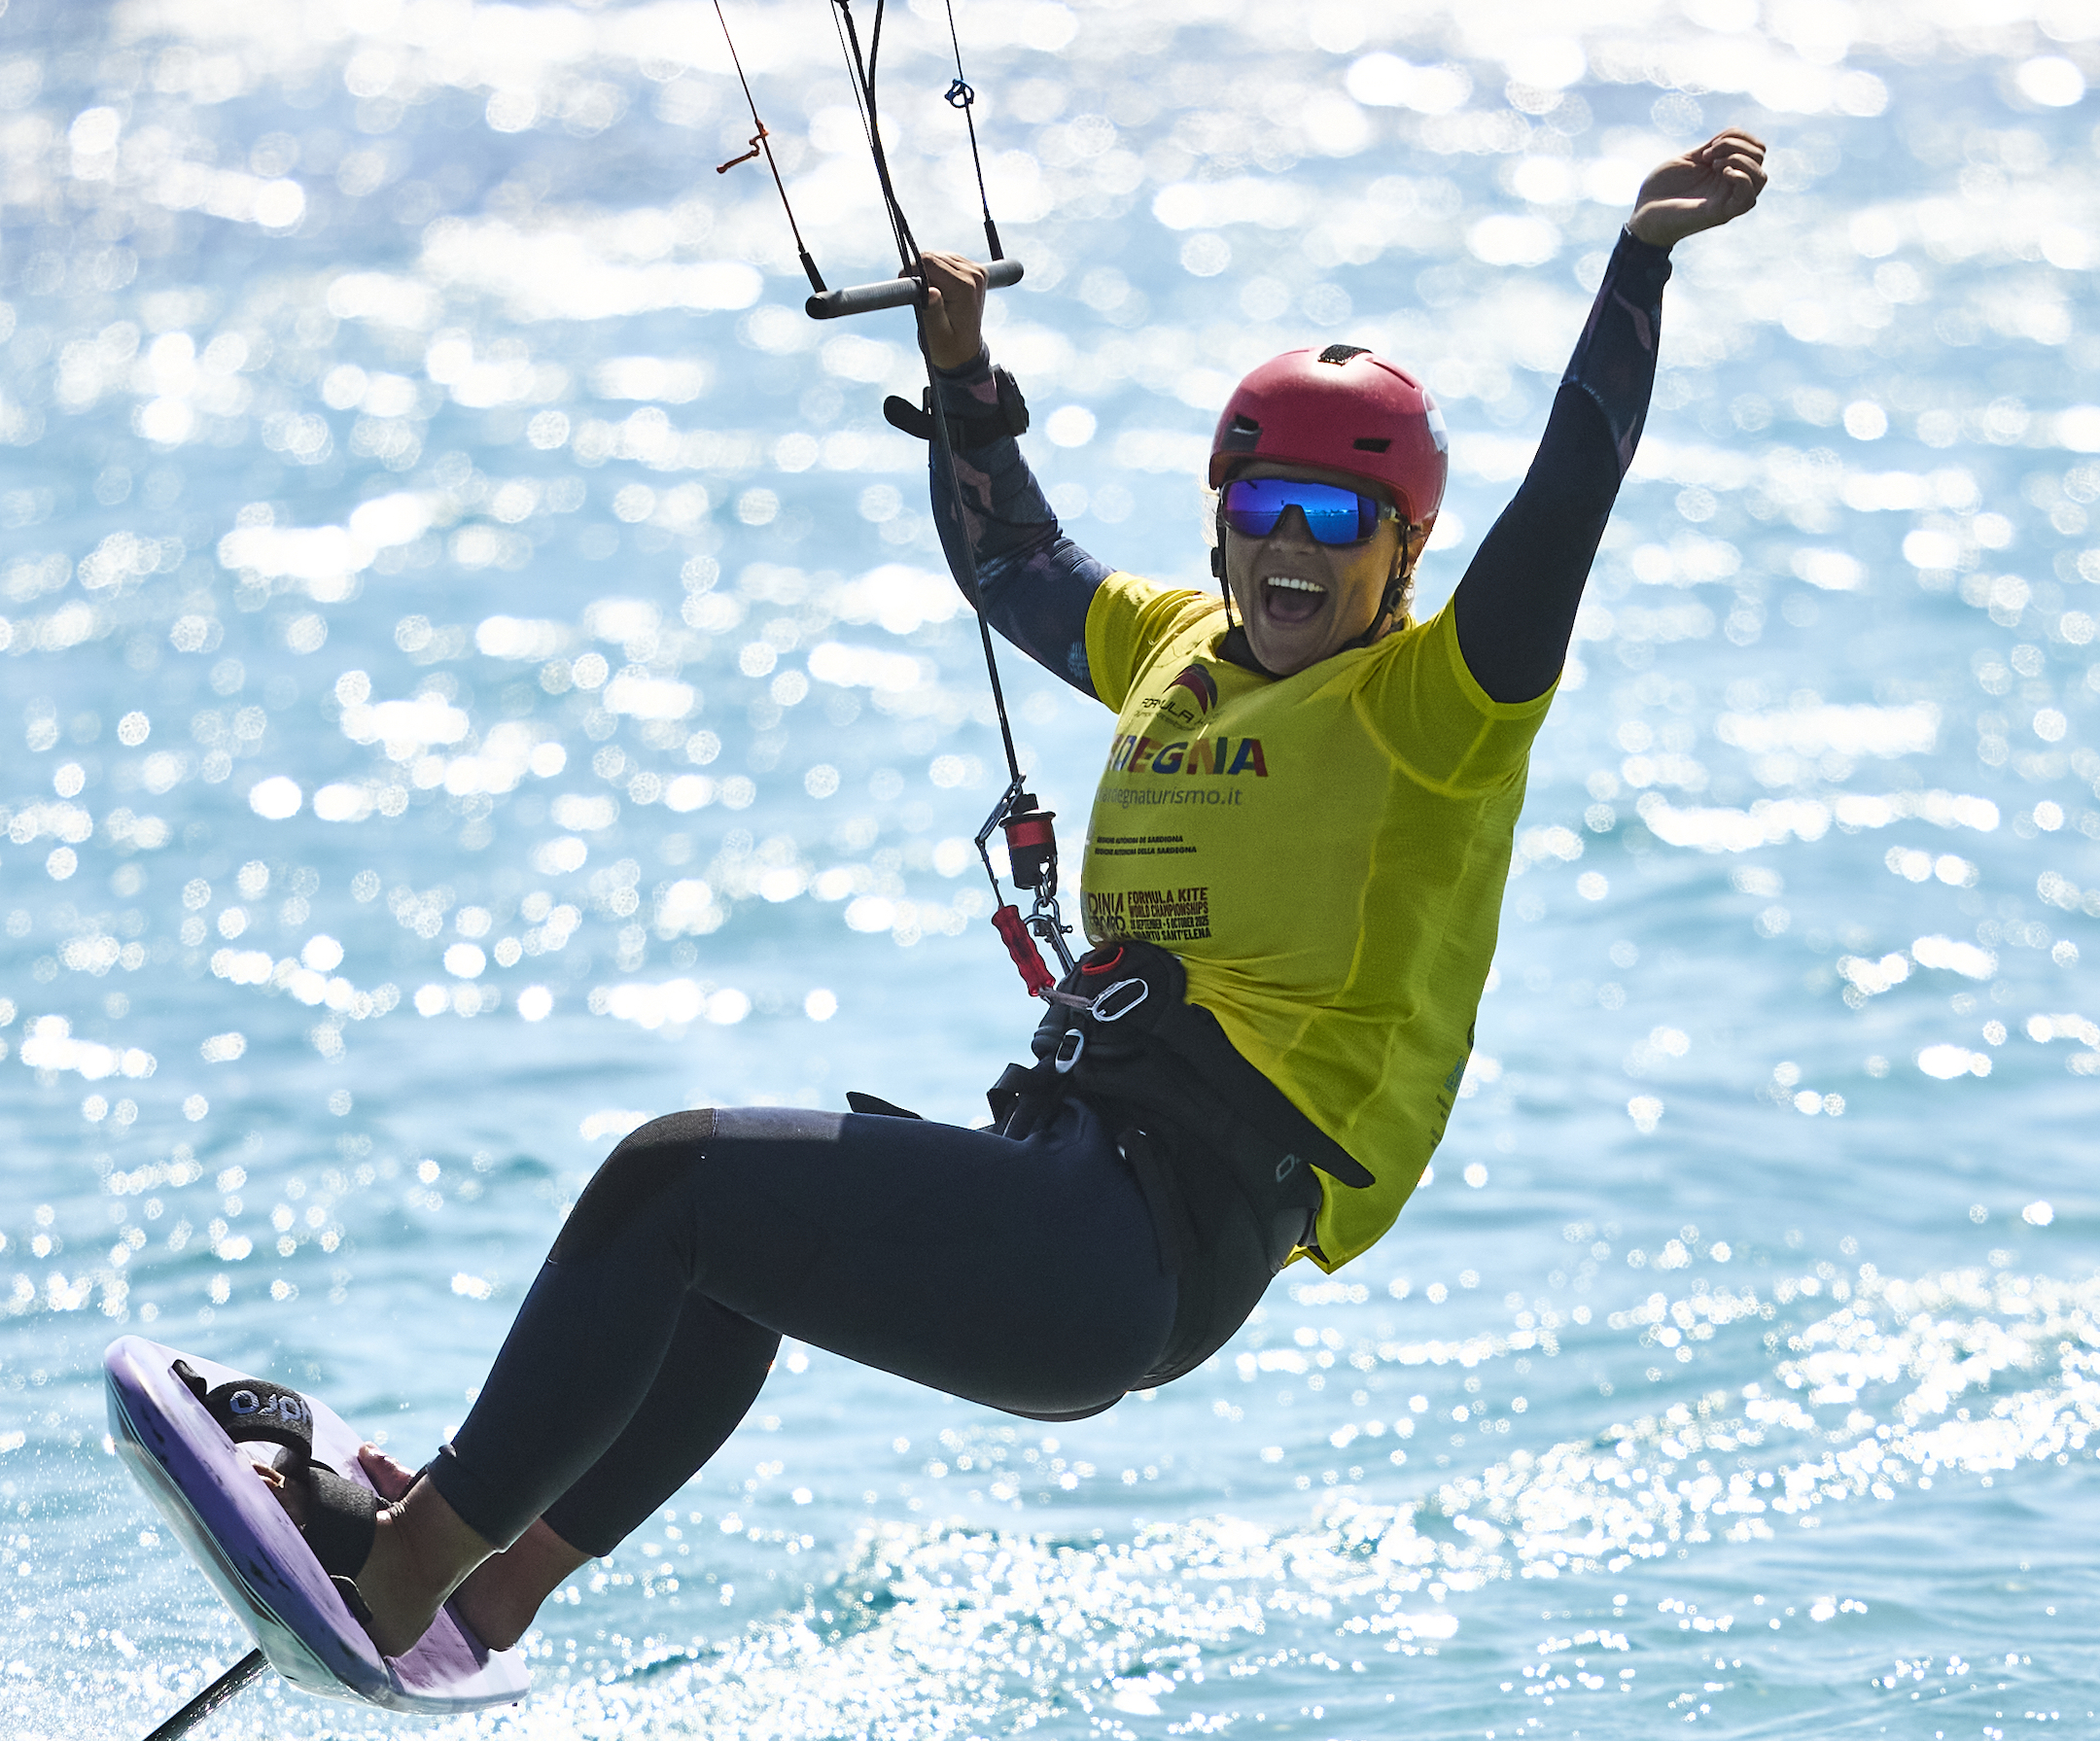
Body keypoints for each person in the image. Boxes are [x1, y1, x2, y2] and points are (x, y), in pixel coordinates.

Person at [322, 129, 1773, 1660]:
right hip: (1077, 1190)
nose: (1292, 545)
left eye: (1341, 520)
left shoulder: (1437, 707)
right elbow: (1011, 560)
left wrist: (1638, 264)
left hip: (1145, 1235)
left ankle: (413, 1554)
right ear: (1220, 519)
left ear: (1405, 551)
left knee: (668, 1181)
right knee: (735, 1250)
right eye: (1263, 507)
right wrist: (964, 377)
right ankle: (500, 1579)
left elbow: (1569, 500)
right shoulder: (1174, 647)